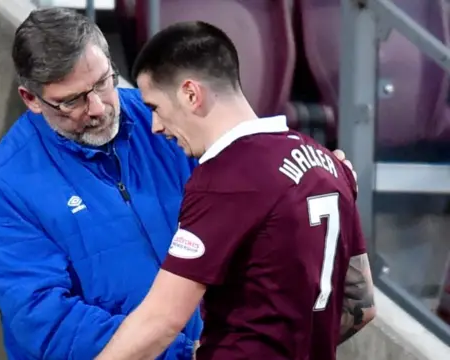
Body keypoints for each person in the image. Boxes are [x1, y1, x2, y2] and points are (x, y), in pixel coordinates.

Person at [0, 8, 358, 360]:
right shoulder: (4, 185)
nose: (98, 108)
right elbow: (45, 319)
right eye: (72, 100)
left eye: (104, 83)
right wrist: (181, 352)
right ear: (32, 99)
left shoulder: (171, 119)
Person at [95, 21, 376, 360]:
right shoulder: (328, 164)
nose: (155, 126)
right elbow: (362, 305)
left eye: (155, 107)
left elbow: (161, 320)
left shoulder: (226, 179)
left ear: (190, 94)